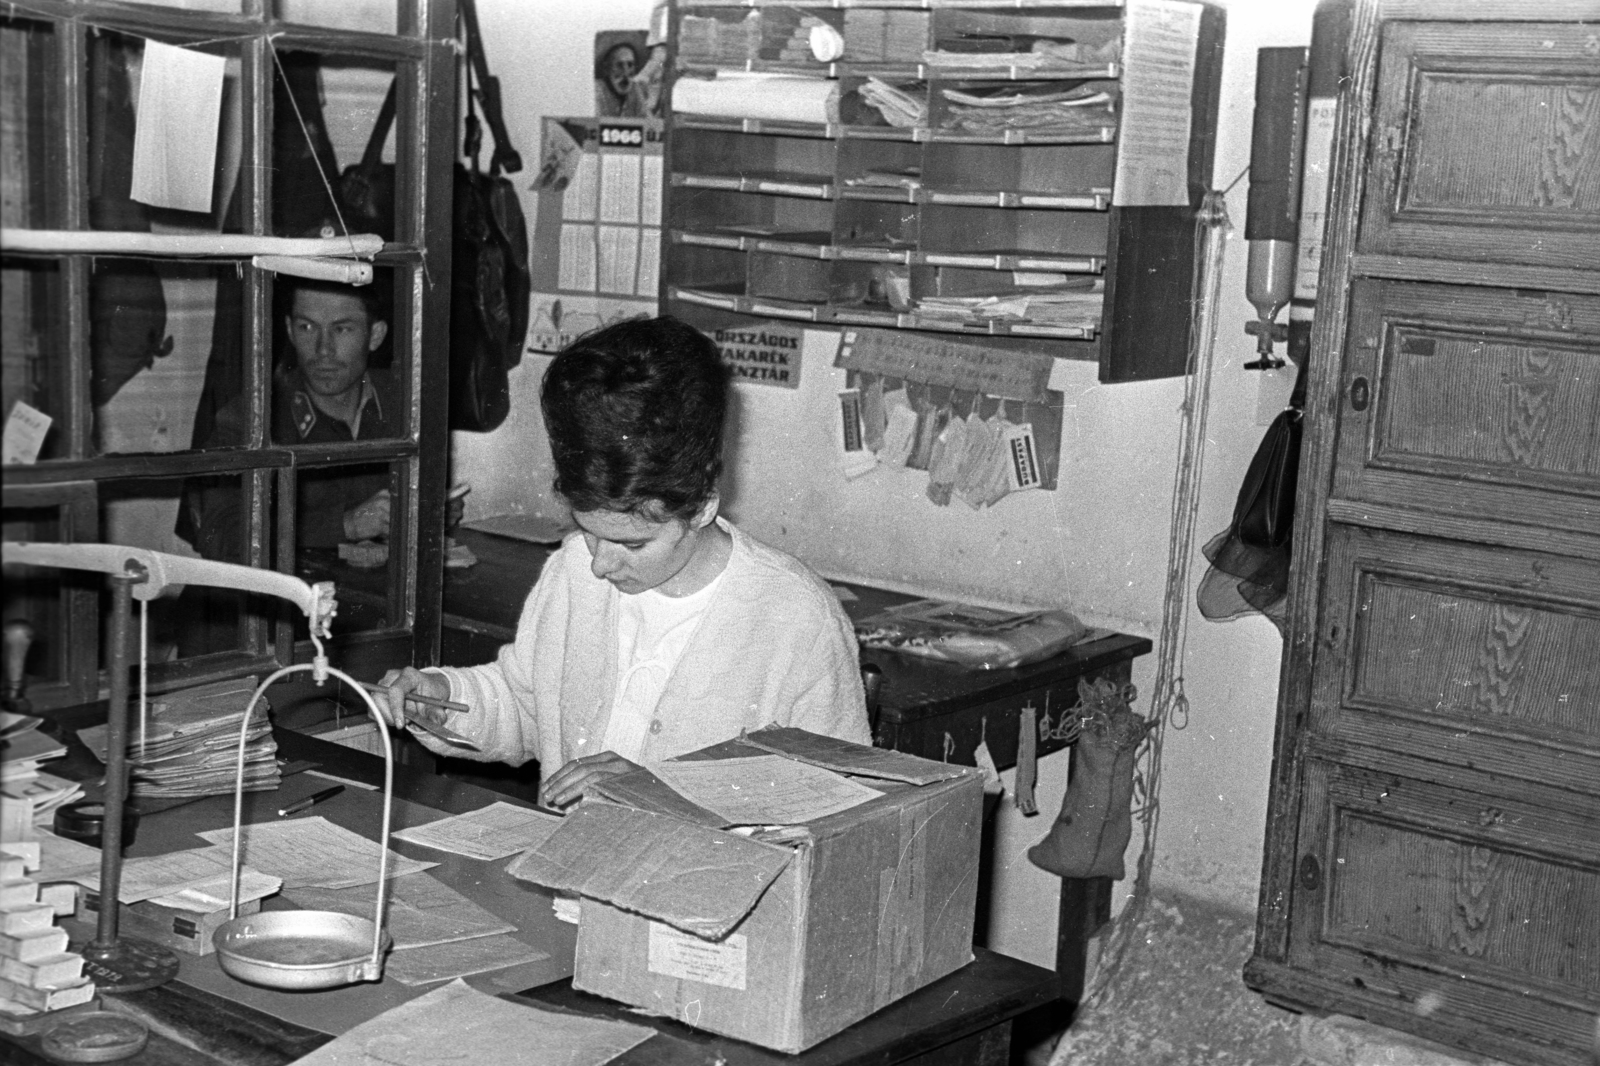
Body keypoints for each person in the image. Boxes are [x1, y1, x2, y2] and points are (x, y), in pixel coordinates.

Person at [377, 316, 870, 807]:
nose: (599, 565)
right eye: (588, 531)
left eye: (633, 544)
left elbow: (840, 805)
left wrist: (663, 792)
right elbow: (529, 706)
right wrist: (442, 699)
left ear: (702, 507)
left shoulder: (797, 619)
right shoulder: (572, 569)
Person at [178, 278, 401, 563]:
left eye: (342, 329)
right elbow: (222, 535)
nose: (323, 349)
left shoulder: (404, 404)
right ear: (289, 331)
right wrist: (345, 525)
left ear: (375, 335)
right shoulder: (252, 421)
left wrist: (431, 511)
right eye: (306, 327)